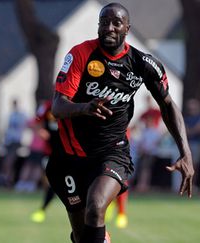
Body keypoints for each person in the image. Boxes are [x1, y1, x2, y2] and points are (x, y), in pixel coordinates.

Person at [46, 3, 194, 243]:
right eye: (104, 22)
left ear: (127, 28)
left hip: (111, 152)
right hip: (69, 157)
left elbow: (168, 105)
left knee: (95, 208)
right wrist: (85, 107)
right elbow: (58, 106)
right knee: (82, 235)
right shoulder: (80, 54)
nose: (109, 28)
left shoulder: (143, 64)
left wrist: (185, 153)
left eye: (116, 23)